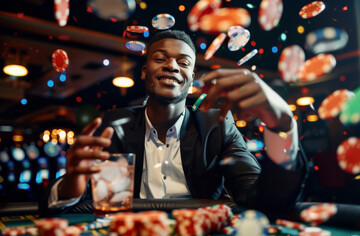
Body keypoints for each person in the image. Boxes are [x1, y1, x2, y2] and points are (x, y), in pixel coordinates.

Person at [39, 30, 308, 216]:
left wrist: (282, 126)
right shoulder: (115, 124)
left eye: (183, 62)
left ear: (191, 77)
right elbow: (105, 202)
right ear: (145, 71)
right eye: (160, 58)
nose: (172, 66)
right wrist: (72, 183)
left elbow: (266, 200)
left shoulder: (217, 125)